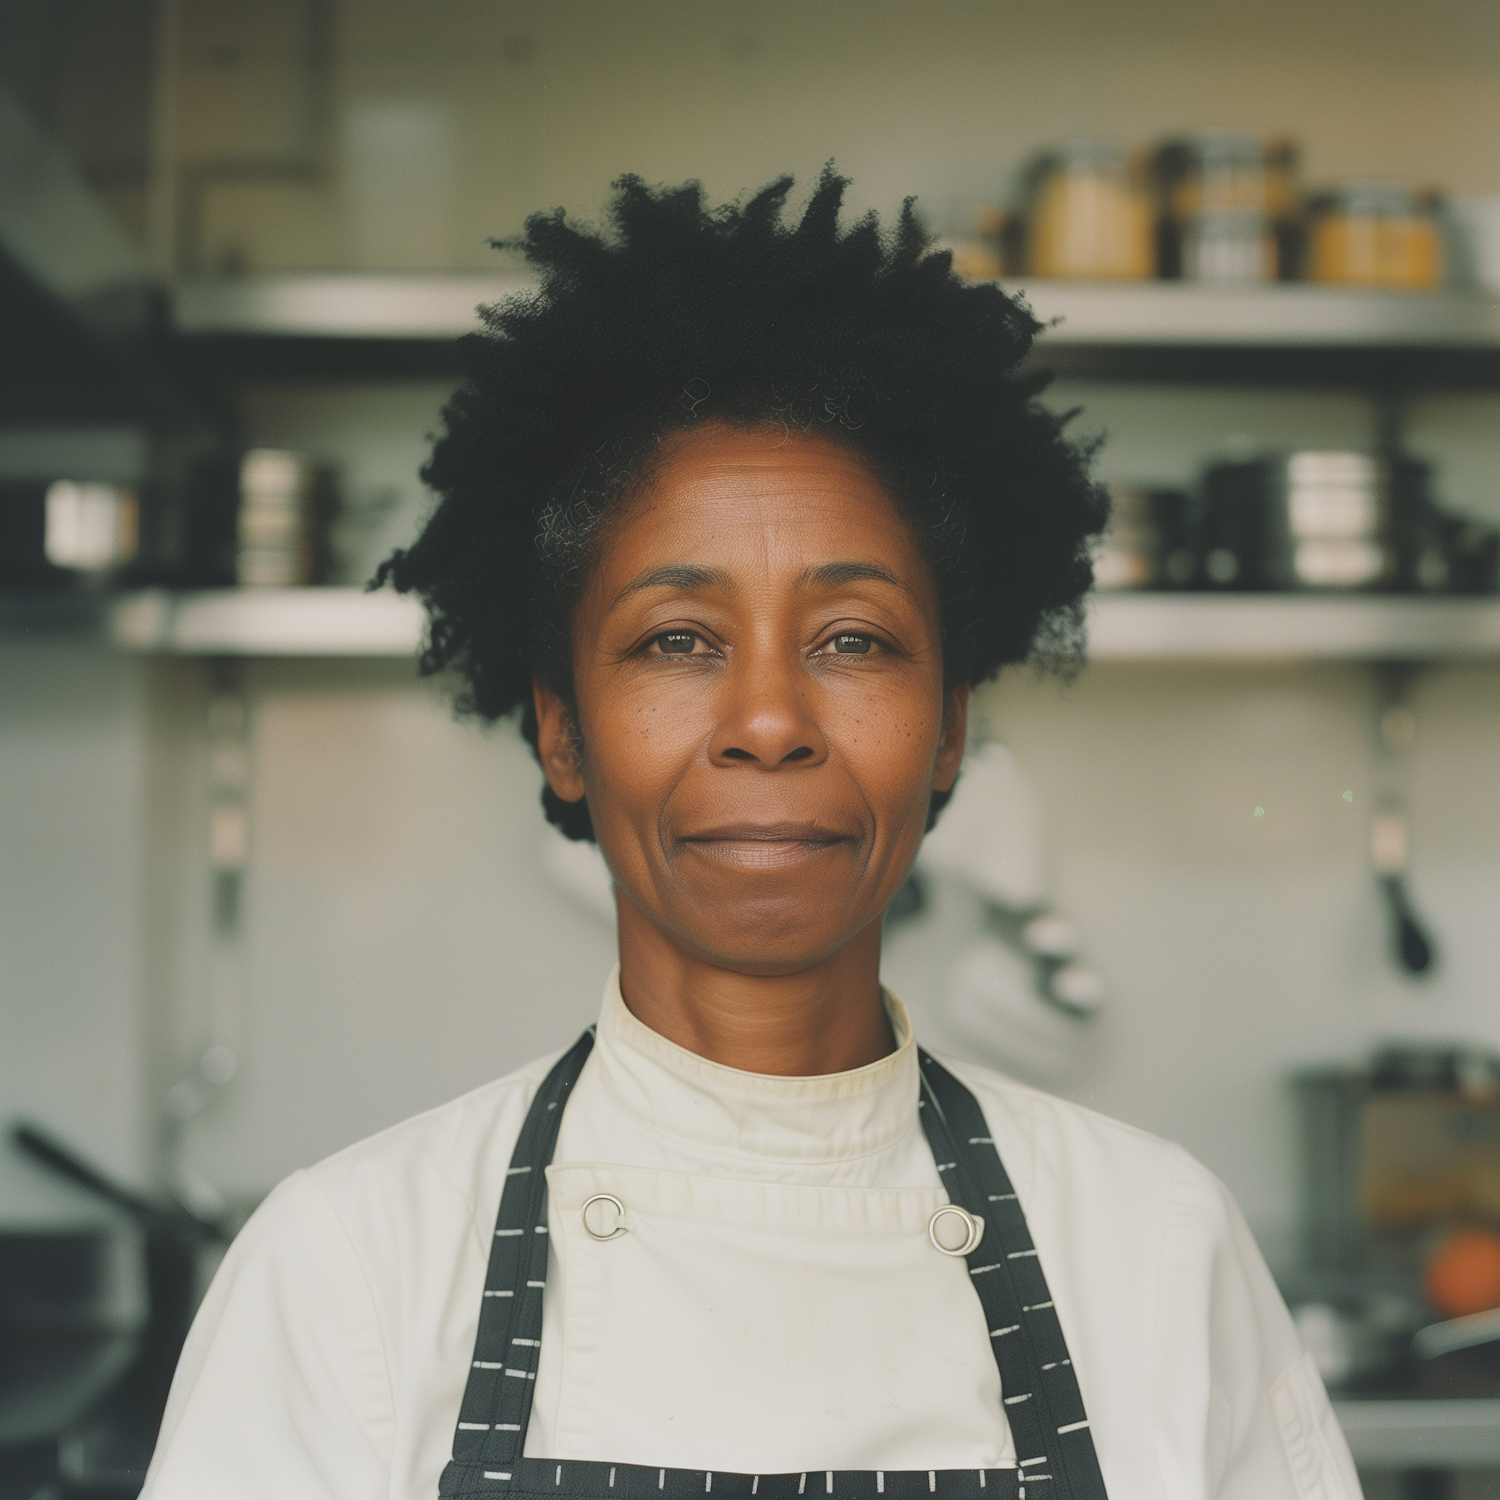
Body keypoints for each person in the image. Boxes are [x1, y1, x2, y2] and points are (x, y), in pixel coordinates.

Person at [142, 171, 1360, 1500]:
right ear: (561, 730)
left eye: (854, 640)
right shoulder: (350, 1272)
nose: (770, 720)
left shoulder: (1156, 1253)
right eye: (677, 640)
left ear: (948, 729)